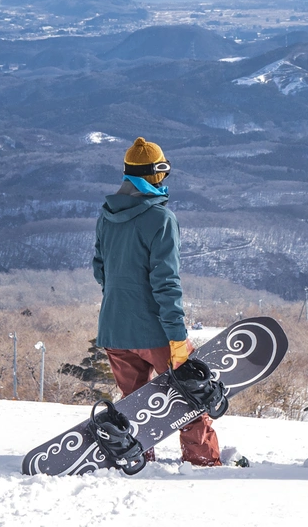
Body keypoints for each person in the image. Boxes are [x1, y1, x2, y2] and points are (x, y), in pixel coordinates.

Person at [92, 136, 221, 467]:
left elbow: (100, 270)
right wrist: (177, 336)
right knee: (190, 399)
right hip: (156, 332)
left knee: (134, 404)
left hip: (114, 327)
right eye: (162, 174)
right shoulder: (160, 219)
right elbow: (166, 283)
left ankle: (140, 458)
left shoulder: (106, 215)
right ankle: (202, 463)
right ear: (153, 176)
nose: (165, 181)